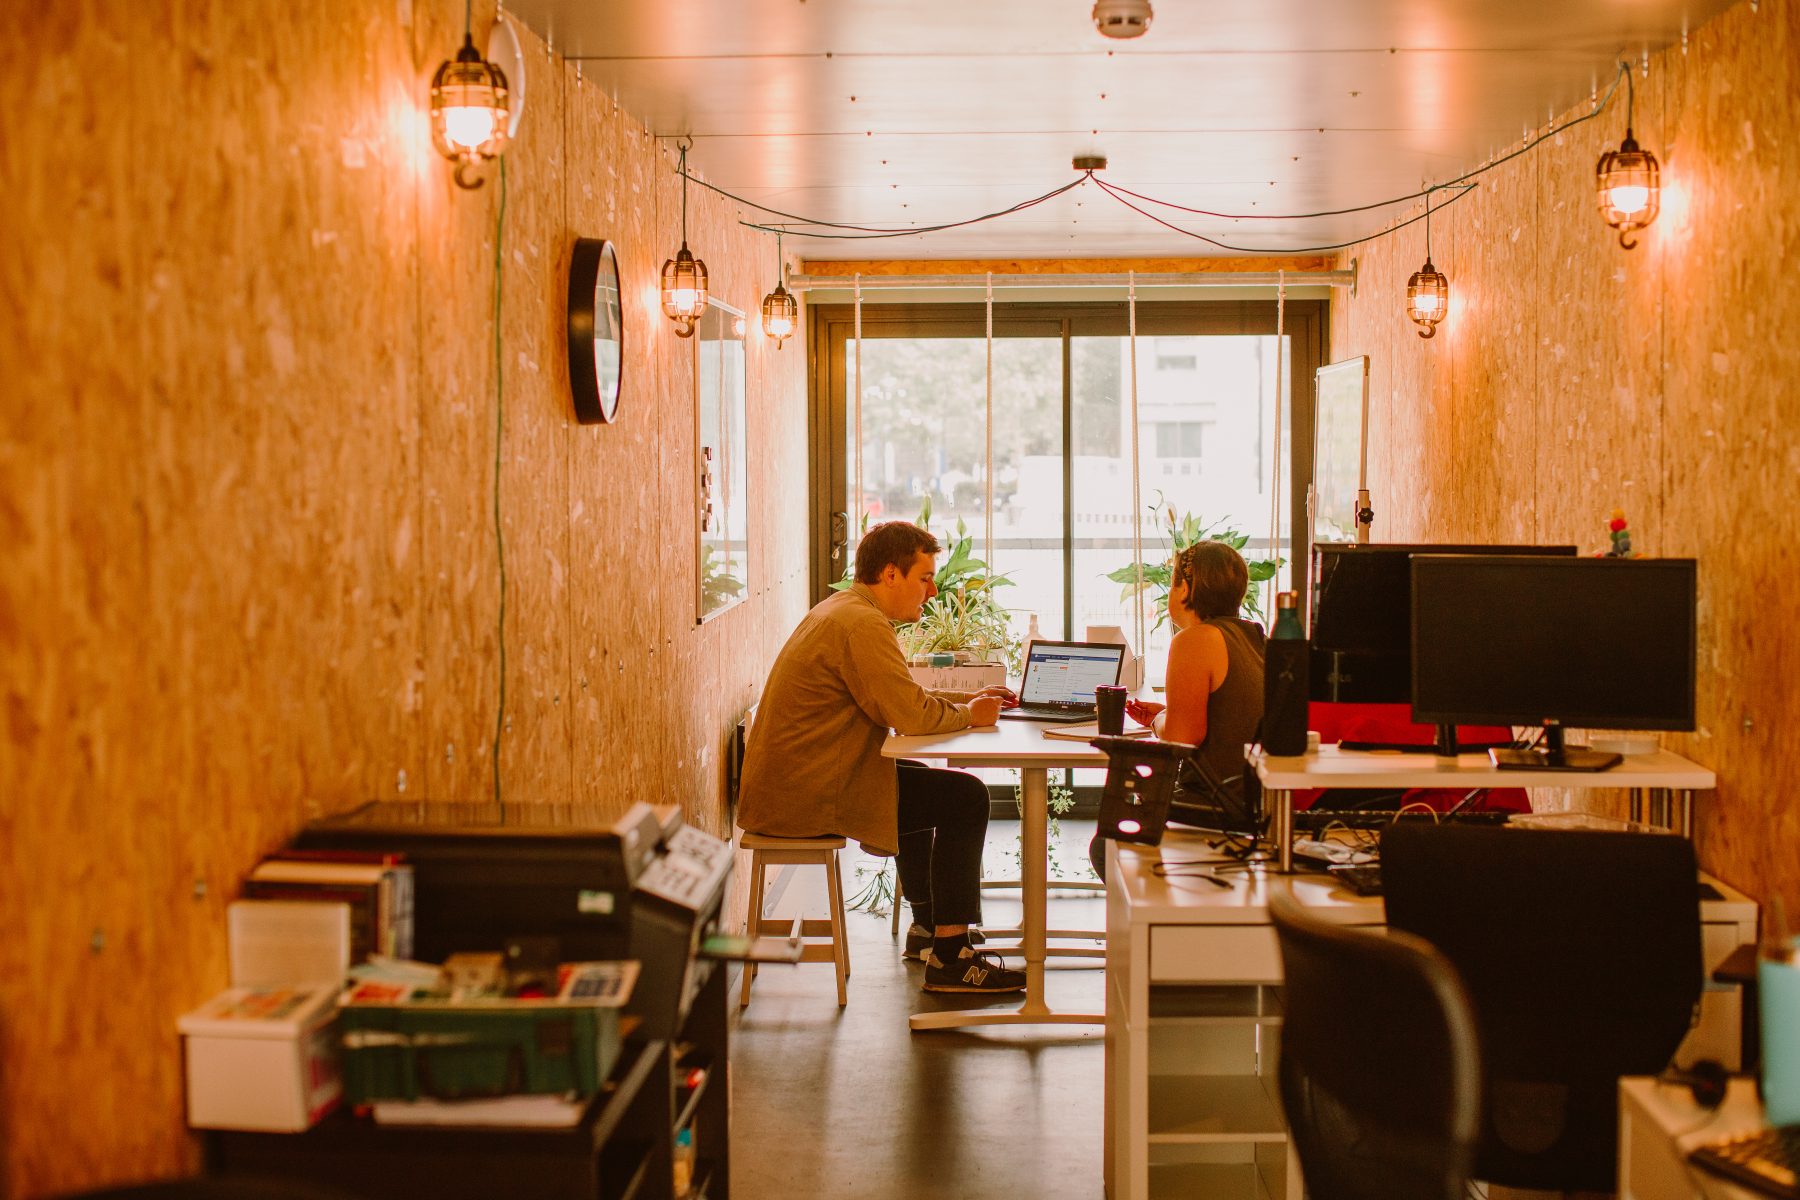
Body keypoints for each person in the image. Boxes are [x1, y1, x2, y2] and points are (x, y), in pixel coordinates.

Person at [737, 521, 1027, 994]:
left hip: (794, 784)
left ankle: (928, 929)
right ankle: (952, 958)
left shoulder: (845, 610)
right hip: (806, 796)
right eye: (925, 578)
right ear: (891, 574)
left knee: (908, 777)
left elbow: (896, 698)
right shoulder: (862, 624)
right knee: (965, 797)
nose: (932, 591)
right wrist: (971, 716)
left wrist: (969, 700)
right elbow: (908, 713)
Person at [1089, 540, 1267, 877]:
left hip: (1217, 804)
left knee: (1104, 847)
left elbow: (1182, 738)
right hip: (1257, 800)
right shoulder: (1252, 636)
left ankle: (1155, 923)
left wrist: (1159, 719)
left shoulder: (1194, 639)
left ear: (1186, 588)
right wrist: (1168, 711)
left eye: (1171, 583)